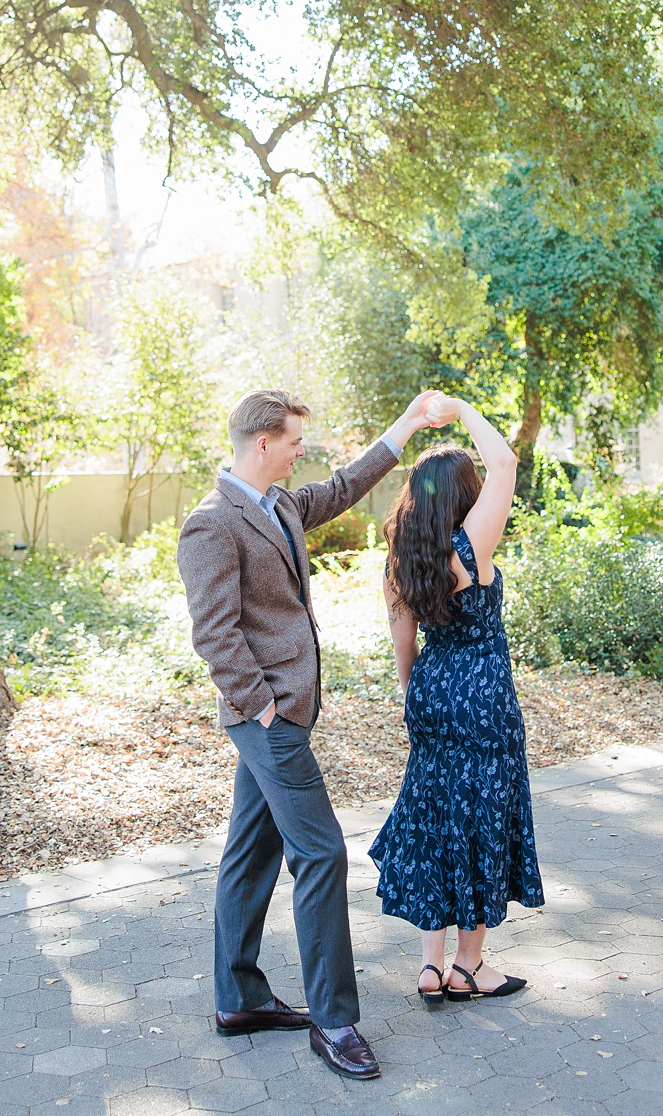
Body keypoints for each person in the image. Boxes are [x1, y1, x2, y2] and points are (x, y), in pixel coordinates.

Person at [178, 386, 444, 1081]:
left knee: (250, 850)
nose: (303, 451)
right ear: (262, 442)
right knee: (322, 853)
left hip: (281, 713)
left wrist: (406, 425)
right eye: (295, 440)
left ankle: (238, 996)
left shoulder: (281, 504)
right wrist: (264, 709)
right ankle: (334, 1019)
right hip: (270, 721)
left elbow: (348, 483)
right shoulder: (213, 521)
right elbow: (215, 632)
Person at [368, 394, 544, 1003]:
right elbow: (507, 465)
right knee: (479, 817)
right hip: (482, 696)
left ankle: (429, 964)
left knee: (435, 815)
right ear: (463, 494)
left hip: (431, 691)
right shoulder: (470, 549)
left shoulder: (403, 559)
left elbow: (401, 639)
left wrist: (411, 695)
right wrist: (464, 409)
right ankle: (469, 968)